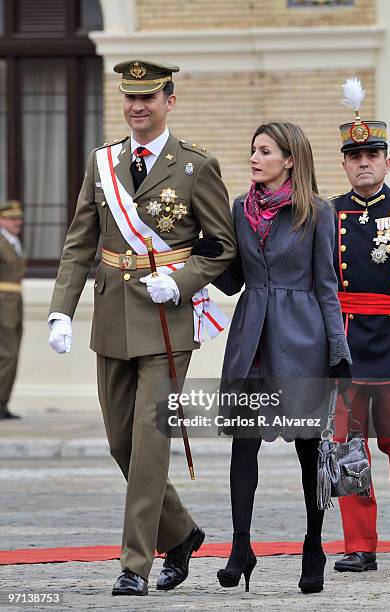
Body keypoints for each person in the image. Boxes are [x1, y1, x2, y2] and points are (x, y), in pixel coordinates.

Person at [48, 59, 236, 596]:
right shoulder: (102, 161)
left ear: (169, 102)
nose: (137, 107)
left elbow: (221, 246)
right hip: (111, 315)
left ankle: (135, 564)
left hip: (166, 319)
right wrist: (62, 307)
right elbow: (80, 241)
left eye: (149, 98)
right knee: (120, 443)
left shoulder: (197, 166)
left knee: (151, 444)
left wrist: (181, 280)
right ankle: (181, 534)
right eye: (130, 98)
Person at [209, 121, 351, 593]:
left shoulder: (318, 212)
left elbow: (328, 287)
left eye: (265, 151)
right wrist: (210, 257)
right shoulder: (238, 208)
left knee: (308, 448)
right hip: (251, 338)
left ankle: (315, 546)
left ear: (289, 159)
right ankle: (240, 546)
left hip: (302, 339)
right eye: (253, 150)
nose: (254, 157)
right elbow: (234, 281)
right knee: (243, 443)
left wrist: (338, 348)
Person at [331, 79, 390, 573]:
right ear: (344, 162)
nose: (363, 161)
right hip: (345, 345)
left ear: (387, 161)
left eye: (372, 153)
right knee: (346, 448)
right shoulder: (326, 215)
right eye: (354, 154)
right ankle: (360, 544)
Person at [0, 200, 24, 420]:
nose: (18, 222)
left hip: (14, 303)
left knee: (12, 354)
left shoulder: (13, 242)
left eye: (19, 219)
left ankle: (3, 402)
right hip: (3, 304)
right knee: (7, 354)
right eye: (12, 218)